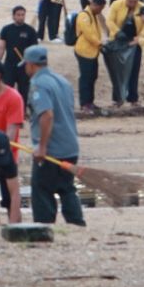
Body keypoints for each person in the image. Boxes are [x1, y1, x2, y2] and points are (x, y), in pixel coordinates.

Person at [22, 45, 86, 226]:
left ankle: (44, 226)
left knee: (42, 189)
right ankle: (77, 224)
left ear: (31, 64)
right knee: (67, 188)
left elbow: (47, 115)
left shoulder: (38, 84)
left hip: (52, 149)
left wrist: (42, 147)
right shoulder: (61, 81)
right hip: (70, 146)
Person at [72, 0, 108, 114]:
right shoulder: (84, 16)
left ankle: (90, 102)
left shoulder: (92, 15)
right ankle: (84, 104)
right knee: (86, 78)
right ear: (95, 5)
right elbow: (88, 34)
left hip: (92, 51)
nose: (100, 11)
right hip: (84, 51)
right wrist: (100, 44)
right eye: (100, 8)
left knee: (92, 77)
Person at [0, 5, 40, 99]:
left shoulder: (30, 31)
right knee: (7, 91)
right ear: (13, 16)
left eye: (23, 15)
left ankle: (22, 112)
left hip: (25, 66)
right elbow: (1, 47)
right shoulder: (6, 30)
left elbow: (34, 49)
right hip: (9, 65)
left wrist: (33, 65)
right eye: (18, 15)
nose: (21, 17)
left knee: (24, 92)